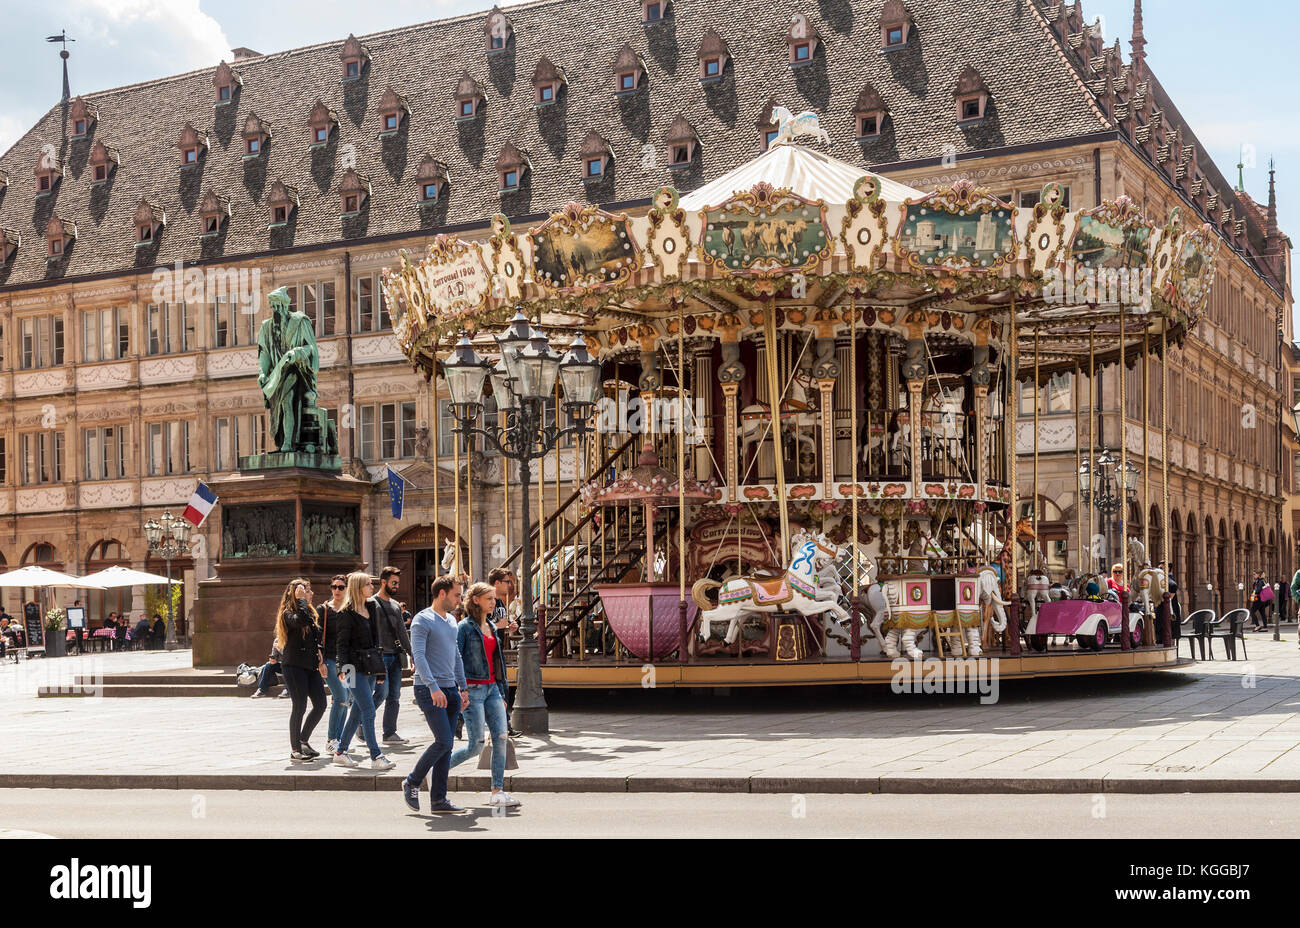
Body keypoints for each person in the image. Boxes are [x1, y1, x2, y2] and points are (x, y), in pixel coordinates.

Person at [400, 575, 468, 814]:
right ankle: (412, 781)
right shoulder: (422, 620)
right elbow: (418, 657)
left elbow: (456, 655)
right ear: (442, 593)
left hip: (450, 688)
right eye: (457, 595)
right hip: (429, 689)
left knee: (447, 747)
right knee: (444, 741)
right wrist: (433, 687)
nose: (460, 599)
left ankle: (438, 800)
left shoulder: (451, 620)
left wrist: (463, 687)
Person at [450, 582, 521, 808]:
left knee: (501, 737)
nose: (493, 602)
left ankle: (497, 791)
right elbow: (456, 659)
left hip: (492, 689)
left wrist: (501, 691)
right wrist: (460, 689)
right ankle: (437, 770)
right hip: (473, 690)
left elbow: (496, 661)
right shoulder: (464, 627)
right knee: (476, 745)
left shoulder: (491, 625)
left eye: (493, 598)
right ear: (476, 600)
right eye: (489, 598)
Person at [333, 573, 395, 771]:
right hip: (351, 668)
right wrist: (341, 668)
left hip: (369, 665)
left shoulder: (371, 607)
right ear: (359, 587)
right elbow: (341, 644)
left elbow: (376, 642)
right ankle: (375, 755)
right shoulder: (346, 613)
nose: (372, 587)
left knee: (358, 712)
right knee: (368, 711)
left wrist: (380, 671)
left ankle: (341, 752)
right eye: (368, 584)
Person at [275, 578, 326, 762]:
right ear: (296, 594)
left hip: (310, 665)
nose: (310, 594)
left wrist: (320, 654)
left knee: (321, 704)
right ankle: (295, 750)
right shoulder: (288, 613)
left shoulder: (310, 612)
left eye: (309, 591)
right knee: (300, 706)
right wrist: (301, 599)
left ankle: (303, 740)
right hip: (294, 666)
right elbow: (301, 621)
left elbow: (316, 637)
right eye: (306, 591)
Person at [370, 566, 412, 745]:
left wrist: (412, 654)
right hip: (380, 656)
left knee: (394, 696)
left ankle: (389, 733)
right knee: (381, 693)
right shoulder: (371, 603)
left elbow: (403, 633)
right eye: (393, 583)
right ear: (383, 582)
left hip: (395, 655)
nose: (396, 586)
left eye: (398, 583)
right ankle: (361, 722)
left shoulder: (395, 605)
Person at [318, 575, 352, 755]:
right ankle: (331, 739)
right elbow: (317, 637)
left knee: (346, 700)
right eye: (334, 587)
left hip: (347, 662)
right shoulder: (323, 609)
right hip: (330, 660)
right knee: (340, 697)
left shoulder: (350, 609)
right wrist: (320, 661)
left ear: (347, 588)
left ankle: (339, 739)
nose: (337, 590)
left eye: (340, 587)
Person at [487, 567, 522, 737]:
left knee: (500, 688)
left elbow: (497, 627)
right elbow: (489, 625)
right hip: (490, 650)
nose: (510, 585)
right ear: (497, 583)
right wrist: (504, 625)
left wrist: (508, 628)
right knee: (501, 687)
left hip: (497, 648)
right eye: (507, 582)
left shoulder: (500, 602)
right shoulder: (489, 600)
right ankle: (504, 725)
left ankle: (504, 725)